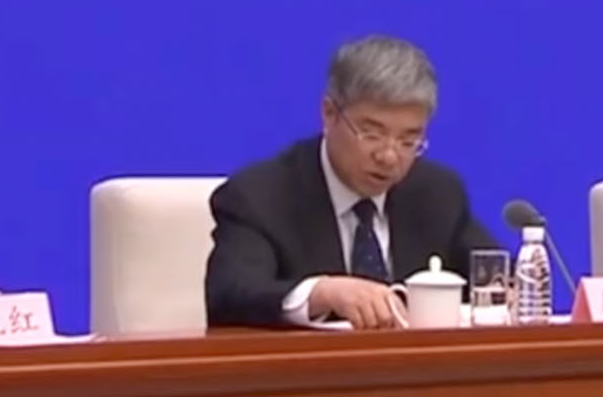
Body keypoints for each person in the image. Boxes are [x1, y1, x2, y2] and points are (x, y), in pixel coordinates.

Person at [204, 34, 497, 329]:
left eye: (409, 140)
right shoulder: (260, 195)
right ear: (329, 114)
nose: (389, 156)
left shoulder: (437, 192)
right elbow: (229, 294)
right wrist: (322, 293)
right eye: (372, 133)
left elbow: (493, 279)